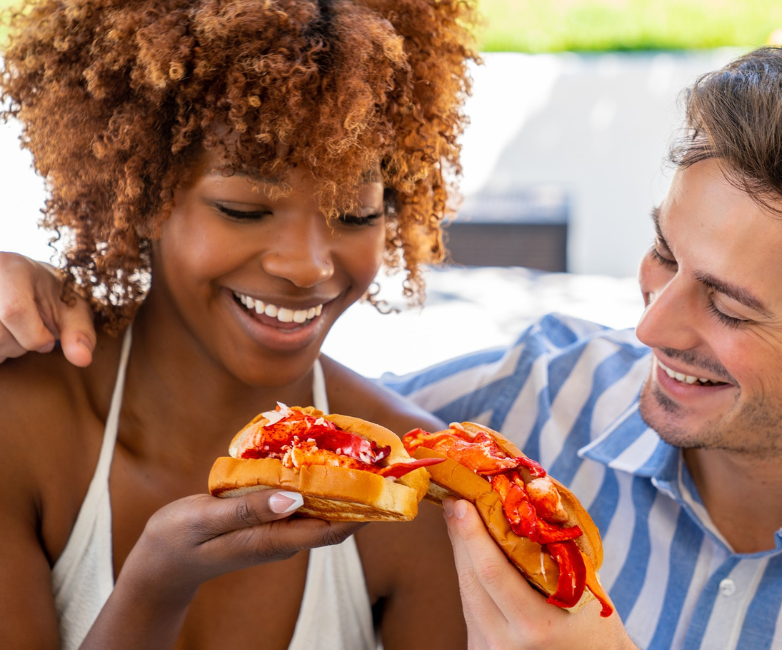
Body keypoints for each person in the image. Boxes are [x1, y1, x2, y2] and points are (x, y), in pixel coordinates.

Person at [4, 38, 782, 650]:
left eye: (728, 305)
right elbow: (255, 399)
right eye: (662, 255)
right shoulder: (524, 406)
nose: (650, 328)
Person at [0, 0, 483, 647]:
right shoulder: (22, 426)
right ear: (140, 193)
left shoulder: (408, 487)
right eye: (243, 208)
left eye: (357, 214)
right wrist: (156, 585)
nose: (307, 266)